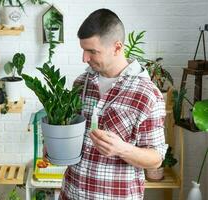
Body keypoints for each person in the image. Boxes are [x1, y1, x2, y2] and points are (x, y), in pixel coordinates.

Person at [59, 8, 167, 200]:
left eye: (92, 51)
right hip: (71, 193)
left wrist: (121, 149)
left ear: (117, 48)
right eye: (83, 50)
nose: (84, 58)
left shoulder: (147, 95)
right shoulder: (81, 83)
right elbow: (69, 129)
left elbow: (156, 159)